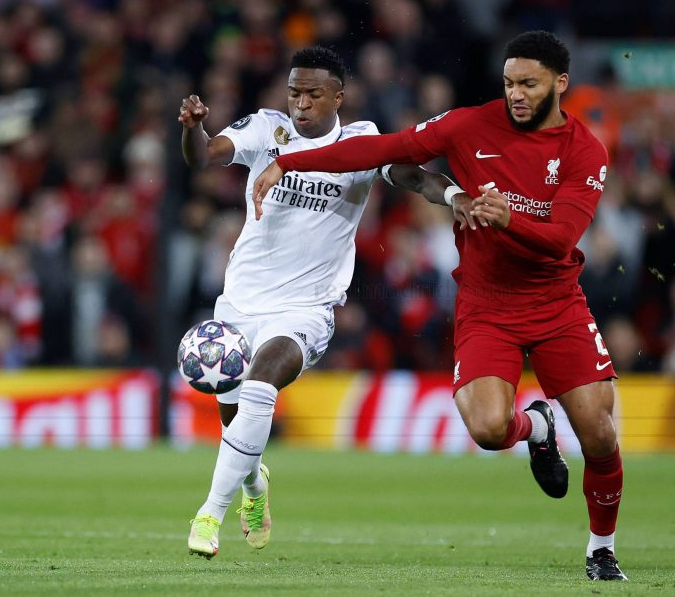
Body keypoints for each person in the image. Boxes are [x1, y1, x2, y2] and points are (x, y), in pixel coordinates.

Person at [253, 31, 627, 581]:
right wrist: (289, 161)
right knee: (488, 429)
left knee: (598, 432)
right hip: (487, 304)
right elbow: (383, 150)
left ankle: (600, 548)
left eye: (529, 83)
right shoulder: (470, 124)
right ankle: (538, 431)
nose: (516, 94)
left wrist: (506, 218)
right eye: (508, 83)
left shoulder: (585, 151)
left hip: (556, 304)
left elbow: (563, 237)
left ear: (560, 84)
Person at [179, 46, 468, 558]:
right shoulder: (266, 130)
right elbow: (205, 155)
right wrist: (192, 129)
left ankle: (208, 516)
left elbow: (415, 175)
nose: (302, 103)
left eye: (313, 94)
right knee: (237, 422)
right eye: (295, 92)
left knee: (262, 381)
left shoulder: (361, 143)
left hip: (305, 309)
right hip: (240, 303)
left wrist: (453, 196)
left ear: (339, 96)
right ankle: (253, 486)